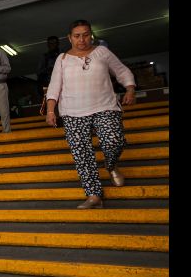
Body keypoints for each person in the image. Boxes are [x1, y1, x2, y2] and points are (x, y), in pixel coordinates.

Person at [44, 19, 136, 209]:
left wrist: (130, 89)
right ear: (70, 38)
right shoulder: (62, 59)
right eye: (77, 36)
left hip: (105, 107)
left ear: (91, 35)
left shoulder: (102, 52)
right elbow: (54, 86)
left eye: (86, 35)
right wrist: (51, 110)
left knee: (114, 141)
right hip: (72, 113)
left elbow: (121, 70)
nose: (82, 39)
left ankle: (111, 165)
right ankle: (94, 195)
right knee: (82, 155)